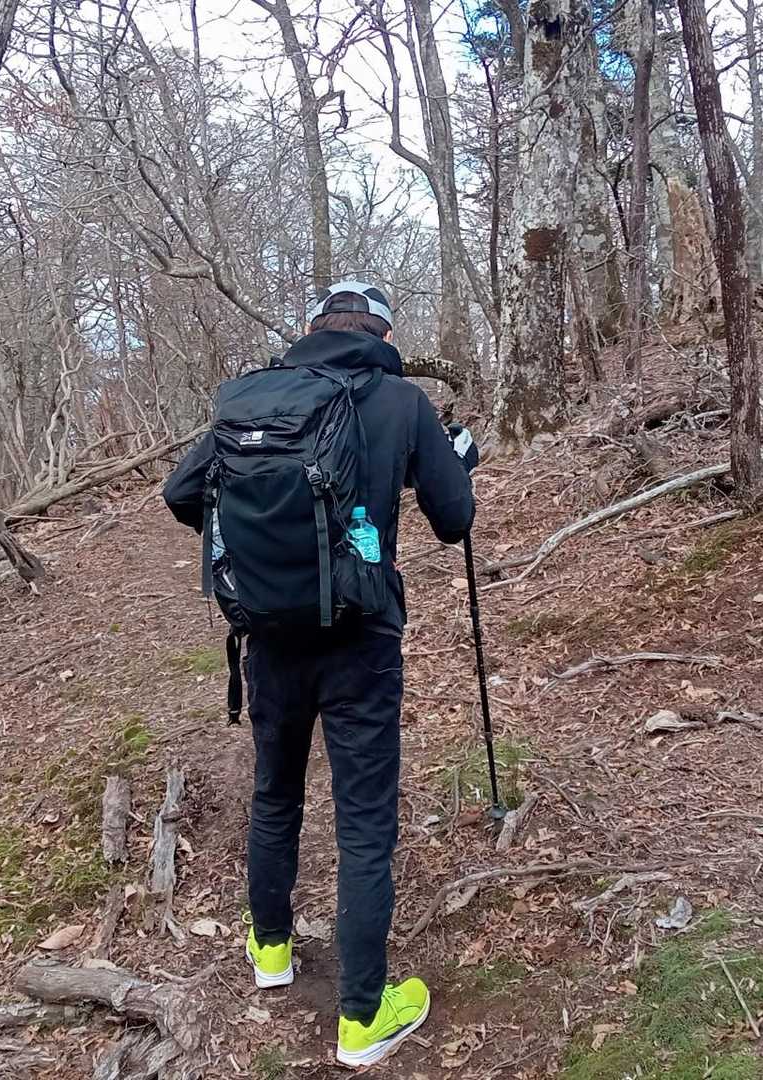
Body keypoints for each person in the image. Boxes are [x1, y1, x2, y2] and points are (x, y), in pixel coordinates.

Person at [162, 281, 477, 1067]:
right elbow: (455, 520)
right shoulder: (401, 402)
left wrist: (264, 546)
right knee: (363, 823)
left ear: (312, 329)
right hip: (361, 640)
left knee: (276, 794)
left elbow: (181, 492)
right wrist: (452, 461)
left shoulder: (257, 402)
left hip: (269, 637)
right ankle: (363, 1017)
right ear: (382, 336)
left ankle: (270, 949)